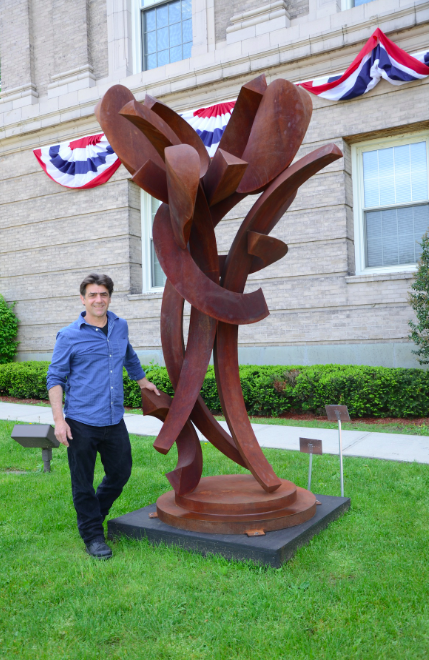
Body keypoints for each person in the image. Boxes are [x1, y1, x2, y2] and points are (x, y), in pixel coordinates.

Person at [47, 273, 160, 559]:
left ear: (109, 297)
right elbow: (55, 378)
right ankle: (93, 535)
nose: (99, 300)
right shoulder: (69, 335)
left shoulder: (120, 326)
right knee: (82, 482)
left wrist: (142, 381)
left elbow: (128, 354)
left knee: (120, 472)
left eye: (104, 294)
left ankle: (94, 516)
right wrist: (59, 421)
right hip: (80, 422)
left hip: (113, 419)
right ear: (83, 299)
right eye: (93, 295)